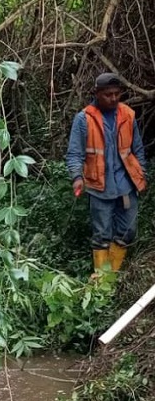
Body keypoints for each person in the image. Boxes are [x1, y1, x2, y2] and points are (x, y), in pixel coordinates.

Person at [66, 72, 147, 272]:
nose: (113, 98)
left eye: (116, 94)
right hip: (99, 187)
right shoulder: (84, 119)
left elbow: (137, 149)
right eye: (108, 94)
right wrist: (77, 177)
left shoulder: (127, 114)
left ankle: (111, 275)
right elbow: (74, 153)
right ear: (97, 93)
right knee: (102, 236)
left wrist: (142, 174)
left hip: (126, 185)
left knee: (128, 231)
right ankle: (102, 284)